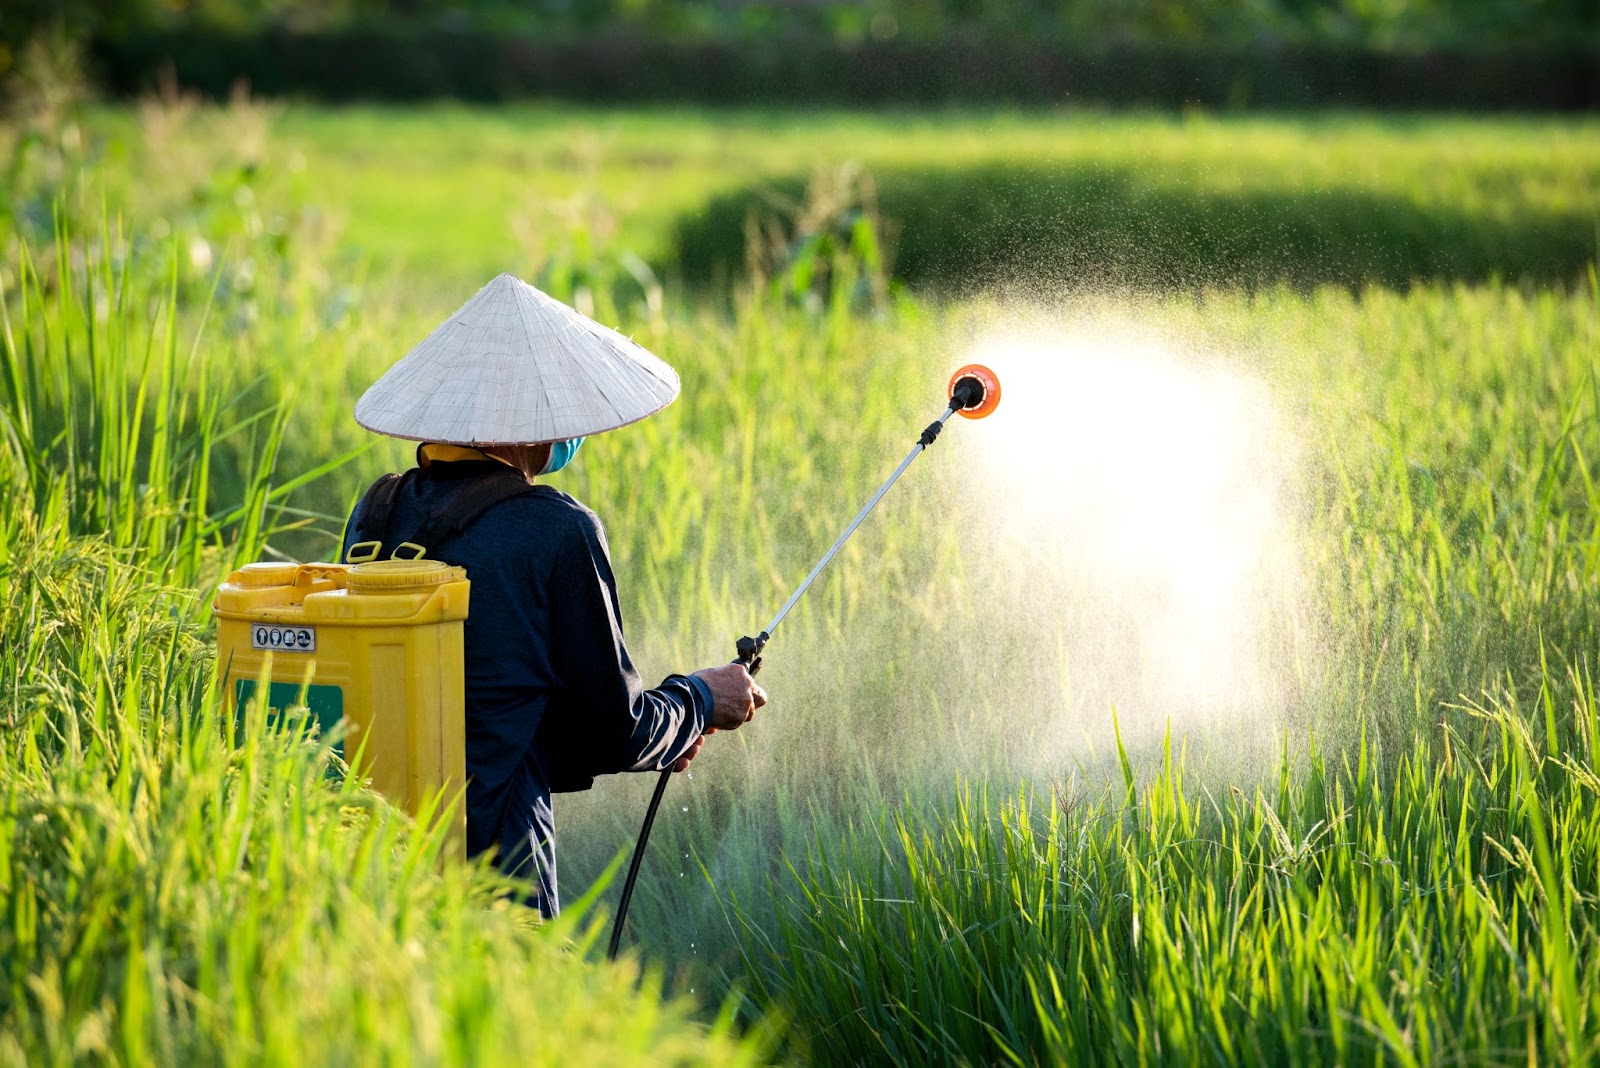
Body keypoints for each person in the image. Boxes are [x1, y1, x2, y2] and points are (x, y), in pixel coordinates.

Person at [343, 273, 766, 915]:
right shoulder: (557, 528)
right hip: (494, 869)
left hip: (366, 852)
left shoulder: (376, 516)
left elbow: (487, 703)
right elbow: (613, 733)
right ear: (526, 423)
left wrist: (673, 731)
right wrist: (700, 700)